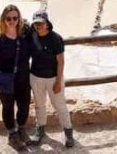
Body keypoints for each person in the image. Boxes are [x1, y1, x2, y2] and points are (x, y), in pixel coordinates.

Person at [0, 5, 32, 149]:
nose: (12, 21)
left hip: (23, 77)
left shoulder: (25, 31)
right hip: (4, 77)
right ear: (3, 19)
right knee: (8, 107)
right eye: (8, 18)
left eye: (15, 18)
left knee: (24, 105)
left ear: (19, 18)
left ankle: (21, 129)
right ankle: (12, 135)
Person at [28, 10, 74, 147]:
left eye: (41, 24)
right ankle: (40, 130)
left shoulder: (55, 38)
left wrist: (58, 81)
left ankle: (68, 133)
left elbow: (61, 61)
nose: (39, 26)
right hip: (36, 77)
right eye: (36, 24)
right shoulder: (32, 36)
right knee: (39, 105)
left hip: (53, 78)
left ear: (47, 23)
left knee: (60, 106)